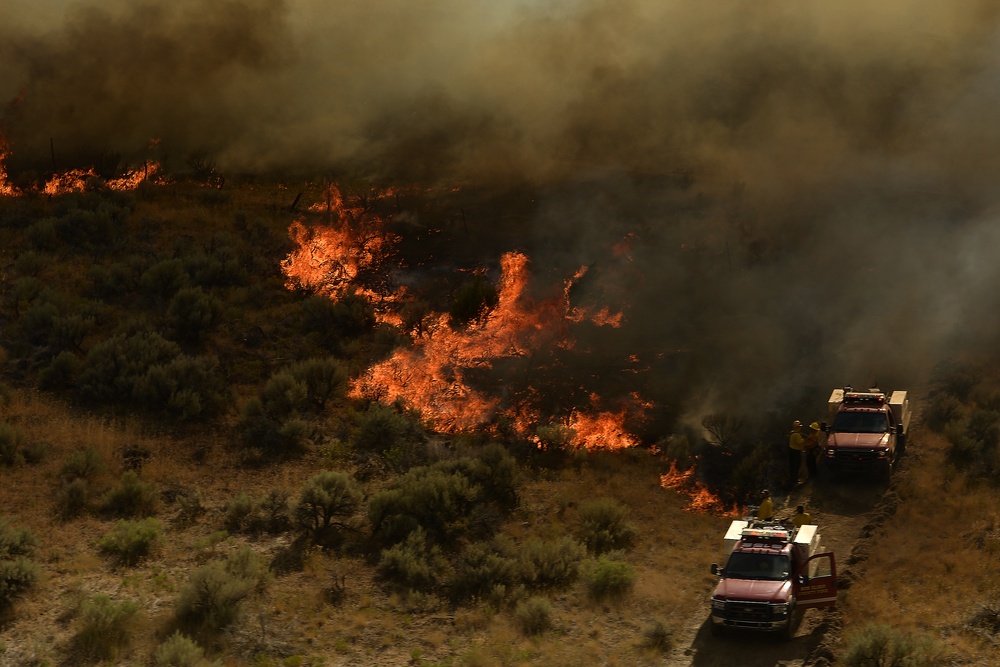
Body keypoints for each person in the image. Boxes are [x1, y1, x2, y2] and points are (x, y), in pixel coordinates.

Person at [788, 420, 805, 487]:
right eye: (799, 427)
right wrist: (803, 440)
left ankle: (792, 479)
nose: (800, 428)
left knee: (792, 466)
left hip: (791, 450)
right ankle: (794, 480)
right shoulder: (797, 434)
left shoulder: (792, 433)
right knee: (796, 466)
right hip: (796, 452)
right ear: (797, 427)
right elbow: (799, 442)